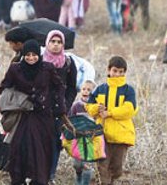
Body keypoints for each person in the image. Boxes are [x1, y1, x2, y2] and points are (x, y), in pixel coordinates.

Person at [0, 39, 65, 185]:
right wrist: (18, 99)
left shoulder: (47, 68)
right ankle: (19, 180)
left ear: (39, 55)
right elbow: (5, 87)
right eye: (27, 54)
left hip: (43, 117)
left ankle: (39, 180)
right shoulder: (15, 69)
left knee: (41, 151)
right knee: (19, 150)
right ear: (23, 55)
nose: (31, 58)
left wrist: (58, 107)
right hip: (22, 116)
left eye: (34, 54)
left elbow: (59, 87)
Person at [86, 56, 138, 185]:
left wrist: (109, 113)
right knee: (102, 166)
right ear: (108, 70)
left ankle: (111, 181)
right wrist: (97, 109)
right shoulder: (100, 89)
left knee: (117, 169)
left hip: (121, 134)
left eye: (121, 72)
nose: (117, 74)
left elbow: (129, 110)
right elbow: (89, 106)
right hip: (101, 133)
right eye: (115, 71)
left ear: (124, 72)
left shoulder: (128, 90)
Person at [44, 30, 78, 182]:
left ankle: (51, 173)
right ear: (47, 43)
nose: (56, 45)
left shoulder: (69, 62)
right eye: (53, 41)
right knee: (41, 140)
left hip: (61, 111)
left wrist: (66, 104)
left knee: (56, 142)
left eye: (59, 42)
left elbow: (72, 87)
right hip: (42, 109)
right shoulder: (40, 60)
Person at [69, 80, 97, 185]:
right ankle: (78, 174)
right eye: (84, 89)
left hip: (90, 140)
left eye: (89, 90)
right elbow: (70, 120)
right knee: (77, 164)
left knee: (87, 164)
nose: (86, 91)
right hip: (78, 139)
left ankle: (84, 183)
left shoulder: (95, 107)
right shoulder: (76, 106)